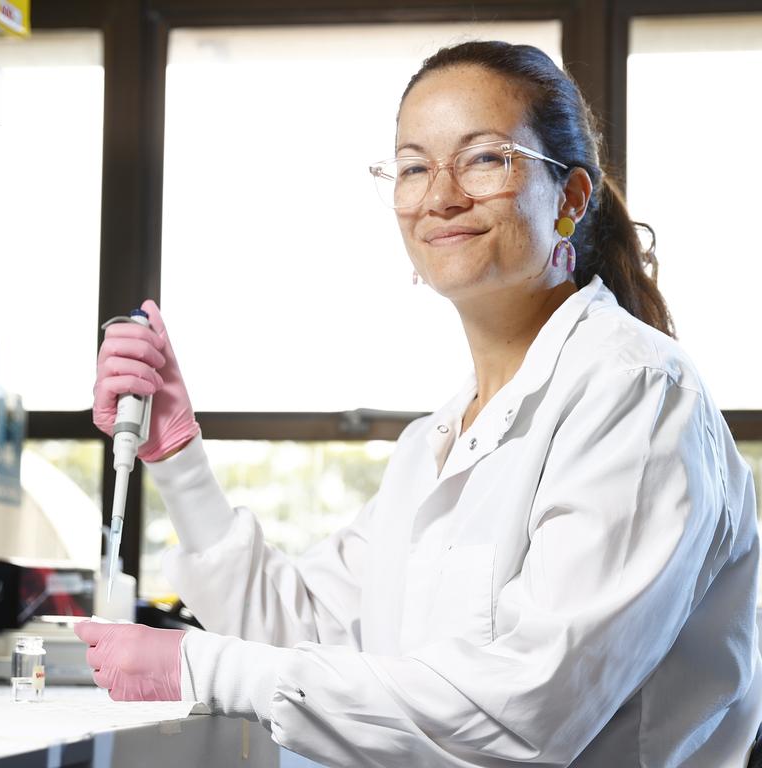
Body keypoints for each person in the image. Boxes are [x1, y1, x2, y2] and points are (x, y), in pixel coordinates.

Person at [77, 40, 762, 766]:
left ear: (570, 197)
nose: (440, 196)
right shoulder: (434, 443)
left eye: (484, 158)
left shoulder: (639, 393)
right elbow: (297, 630)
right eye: (412, 167)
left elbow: (531, 709)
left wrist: (198, 665)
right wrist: (177, 455)